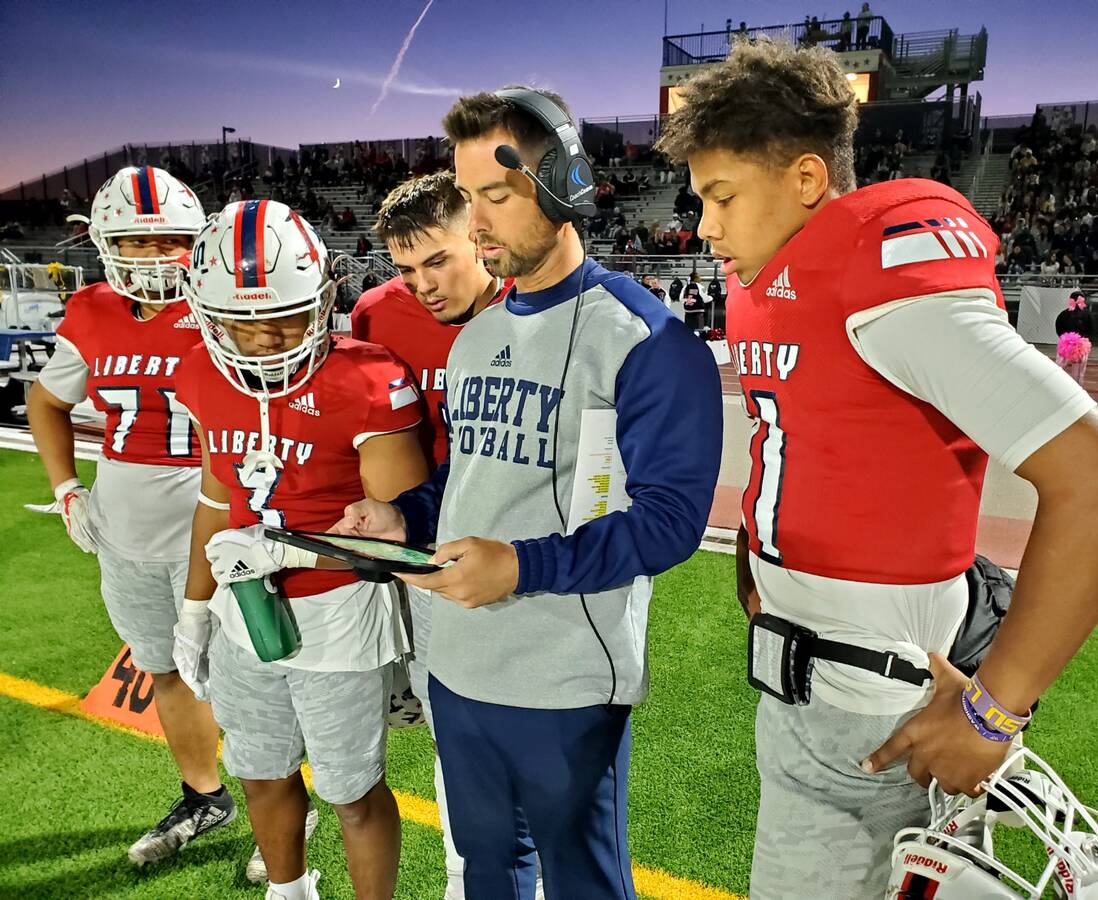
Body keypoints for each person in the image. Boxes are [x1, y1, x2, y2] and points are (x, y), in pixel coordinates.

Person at [656, 41, 1098, 899]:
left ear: (808, 179)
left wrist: (994, 712)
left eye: (722, 196)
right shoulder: (785, 277)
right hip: (811, 683)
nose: (703, 227)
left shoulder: (881, 280)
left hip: (872, 707)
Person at [335, 86, 722, 900]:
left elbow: (670, 523)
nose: (474, 224)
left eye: (497, 197)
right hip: (460, 665)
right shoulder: (478, 335)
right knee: (486, 870)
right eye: (469, 198)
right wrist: (402, 513)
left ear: (565, 186)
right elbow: (470, 478)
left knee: (581, 881)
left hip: (564, 677)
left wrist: (518, 566)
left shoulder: (646, 340)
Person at [171, 200, 429, 900]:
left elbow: (405, 543)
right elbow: (217, 500)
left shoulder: (367, 376)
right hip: (243, 610)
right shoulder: (200, 372)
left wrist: (289, 554)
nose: (262, 336)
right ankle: (289, 892)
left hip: (340, 614)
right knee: (261, 770)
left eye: (283, 313)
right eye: (243, 317)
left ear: (323, 298)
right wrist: (194, 612)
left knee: (350, 790)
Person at [26, 166, 240, 867]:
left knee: (254, 672)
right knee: (164, 668)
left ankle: (285, 808)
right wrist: (65, 488)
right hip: (126, 527)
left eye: (170, 240)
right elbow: (47, 400)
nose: (155, 257)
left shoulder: (235, 301)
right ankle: (204, 795)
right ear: (105, 243)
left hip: (223, 521)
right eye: (137, 242)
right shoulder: (90, 310)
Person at [351, 171, 527, 900]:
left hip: (526, 550)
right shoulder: (375, 314)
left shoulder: (537, 304)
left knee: (534, 732)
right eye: (404, 268)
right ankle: (468, 876)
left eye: (438, 260)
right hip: (429, 553)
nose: (421, 284)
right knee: (453, 728)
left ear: (480, 239)